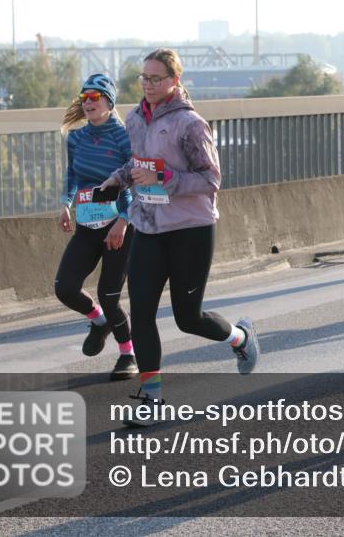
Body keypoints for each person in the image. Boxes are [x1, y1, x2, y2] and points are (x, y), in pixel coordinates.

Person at [100, 48, 260, 426]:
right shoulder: (135, 117)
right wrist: (118, 178)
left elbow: (211, 179)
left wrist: (165, 180)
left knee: (189, 318)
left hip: (191, 229)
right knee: (141, 314)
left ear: (175, 81)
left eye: (157, 79)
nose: (149, 85)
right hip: (149, 226)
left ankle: (240, 338)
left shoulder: (190, 124)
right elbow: (138, 162)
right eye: (144, 78)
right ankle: (151, 399)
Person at [55, 74, 137, 381]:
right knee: (64, 288)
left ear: (109, 101)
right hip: (87, 227)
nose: (87, 102)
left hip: (119, 227)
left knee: (109, 295)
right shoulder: (75, 138)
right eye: (84, 97)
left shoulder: (123, 136)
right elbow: (71, 176)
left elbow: (139, 184)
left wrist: (123, 220)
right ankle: (99, 321)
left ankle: (128, 354)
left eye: (95, 96)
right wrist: (65, 203)